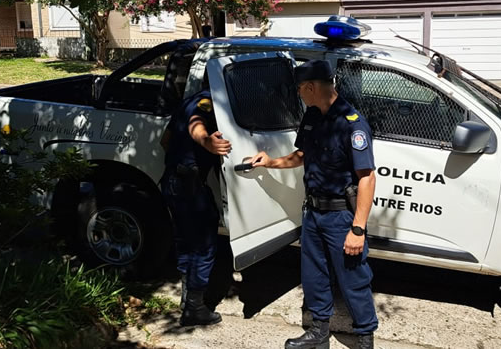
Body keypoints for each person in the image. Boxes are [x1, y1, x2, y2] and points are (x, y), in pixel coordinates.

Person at [251, 60, 378, 349]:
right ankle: (319, 334)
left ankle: (365, 338)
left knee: (353, 279)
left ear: (310, 87)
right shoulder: (312, 116)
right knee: (314, 276)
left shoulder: (352, 124)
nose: (299, 94)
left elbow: (367, 178)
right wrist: (271, 162)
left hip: (341, 217)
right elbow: (302, 155)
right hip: (313, 214)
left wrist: (357, 229)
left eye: (299, 89)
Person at [161, 85, 231, 326]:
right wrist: (206, 143)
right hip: (188, 186)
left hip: (172, 181)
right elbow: (196, 124)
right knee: (204, 245)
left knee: (185, 241)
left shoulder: (187, 100)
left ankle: (186, 297)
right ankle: (194, 308)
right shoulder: (206, 104)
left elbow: (165, 141)